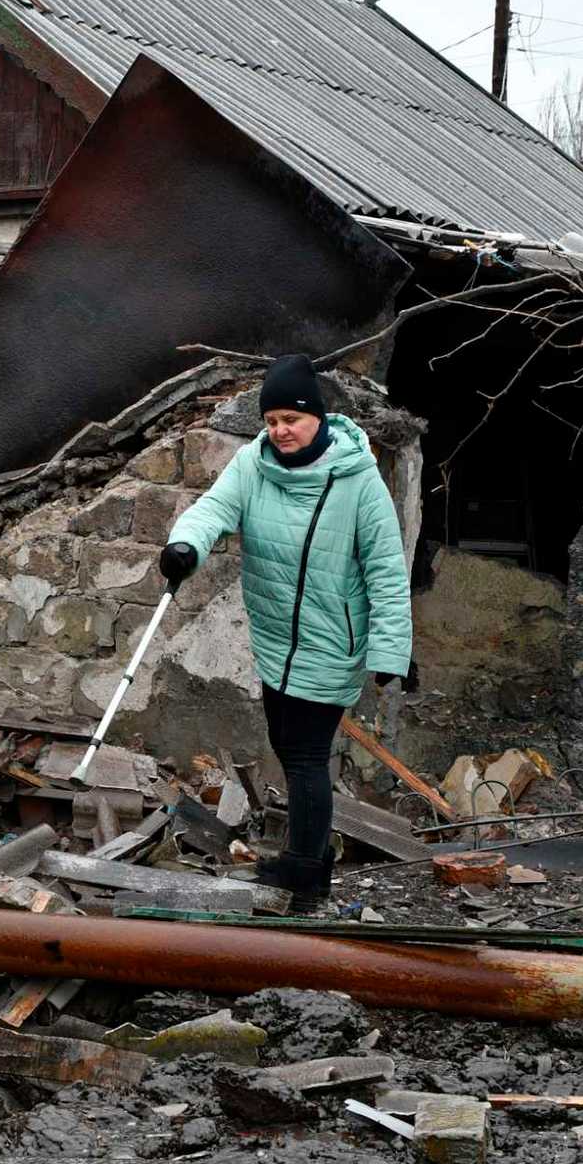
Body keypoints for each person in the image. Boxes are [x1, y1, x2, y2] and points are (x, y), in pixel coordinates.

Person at [158, 354, 412, 913]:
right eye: (271, 420)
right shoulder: (253, 463)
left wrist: (389, 650)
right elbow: (213, 509)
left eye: (290, 420)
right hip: (275, 637)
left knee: (304, 756)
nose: (279, 431)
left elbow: (386, 568)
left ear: (316, 416)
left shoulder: (358, 478)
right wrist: (186, 546)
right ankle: (312, 859)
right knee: (289, 747)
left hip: (330, 639)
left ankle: (304, 874)